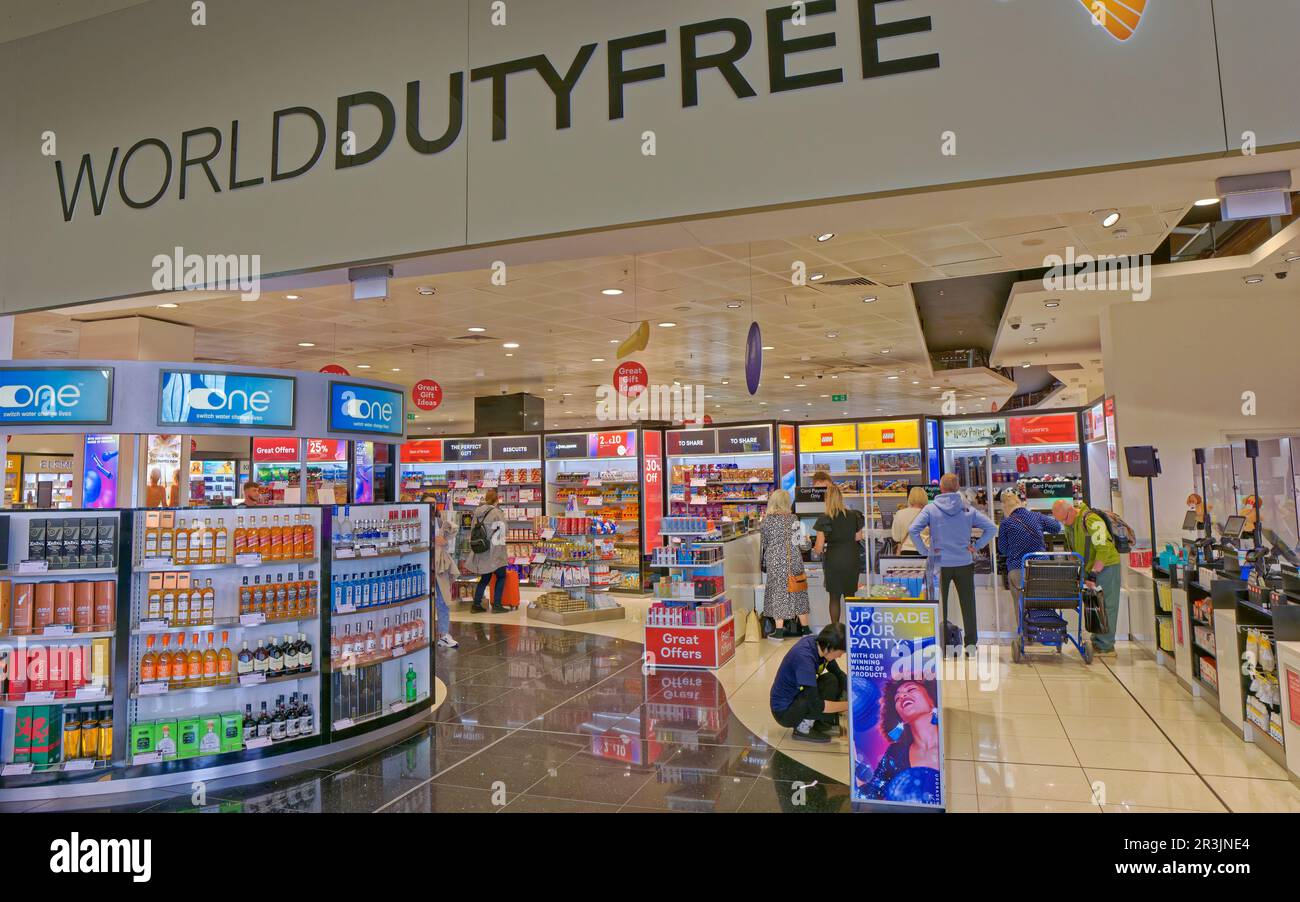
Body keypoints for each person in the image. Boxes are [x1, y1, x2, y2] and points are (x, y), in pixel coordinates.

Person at [909, 473, 997, 650]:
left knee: (935, 603)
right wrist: (976, 545)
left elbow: (913, 529)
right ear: (957, 488)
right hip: (964, 561)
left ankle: (938, 642)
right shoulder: (967, 509)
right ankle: (971, 644)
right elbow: (991, 528)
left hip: (938, 562)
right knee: (968, 603)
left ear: (940, 488)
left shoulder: (931, 509)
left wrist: (924, 551)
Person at [1052, 499, 1121, 658]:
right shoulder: (1071, 525)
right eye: (1060, 521)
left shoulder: (1091, 520)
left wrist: (1094, 574)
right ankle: (1097, 641)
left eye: (1064, 519)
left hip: (1106, 567)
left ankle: (1106, 647)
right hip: (1090, 569)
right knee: (1094, 605)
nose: (1063, 523)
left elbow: (1103, 548)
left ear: (1071, 511)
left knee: (1107, 606)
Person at [859, 677, 941, 804]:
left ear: (932, 701)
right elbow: (873, 792)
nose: (902, 695)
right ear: (900, 716)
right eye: (897, 698)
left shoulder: (949, 745)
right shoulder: (895, 753)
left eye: (911, 689)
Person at [769, 623, 848, 743]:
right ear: (830, 648)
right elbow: (816, 704)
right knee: (823, 689)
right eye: (841, 652)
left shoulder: (821, 646)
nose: (841, 656)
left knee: (831, 679)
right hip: (785, 712)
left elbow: (839, 675)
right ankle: (803, 729)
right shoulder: (804, 658)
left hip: (798, 696)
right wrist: (851, 706)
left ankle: (820, 722)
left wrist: (857, 692)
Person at [998, 491, 1062, 615]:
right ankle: (1046, 628)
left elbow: (1003, 549)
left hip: (1018, 568)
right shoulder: (1036, 516)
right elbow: (1056, 527)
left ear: (1005, 508)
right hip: (1041, 567)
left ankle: (1024, 632)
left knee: (1020, 605)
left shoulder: (1005, 523)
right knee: (1044, 602)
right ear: (1021, 503)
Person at [759, 489, 810, 639]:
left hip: (775, 561)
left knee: (778, 594)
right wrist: (807, 539)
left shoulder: (766, 521)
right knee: (798, 591)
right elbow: (804, 546)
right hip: (793, 560)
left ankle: (779, 631)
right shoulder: (794, 519)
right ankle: (806, 630)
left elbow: (765, 543)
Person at [814, 484, 865, 625]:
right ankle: (853, 628)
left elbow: (818, 547)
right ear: (841, 498)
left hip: (833, 559)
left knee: (834, 597)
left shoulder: (824, 518)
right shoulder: (853, 515)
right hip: (851, 557)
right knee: (850, 595)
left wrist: (816, 548)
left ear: (827, 499)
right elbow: (858, 537)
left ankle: (836, 629)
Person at [467, 488, 509, 613]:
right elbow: (504, 530)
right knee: (502, 576)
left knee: (485, 577)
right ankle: (497, 605)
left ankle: (476, 604)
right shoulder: (496, 512)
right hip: (494, 549)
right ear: (497, 499)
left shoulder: (477, 512)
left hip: (481, 549)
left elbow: (473, 530)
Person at [427, 498, 460, 648]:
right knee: (423, 602)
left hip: (439, 566)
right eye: (428, 503)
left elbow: (448, 541)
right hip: (423, 566)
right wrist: (433, 540)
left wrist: (444, 540)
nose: (432, 505)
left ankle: (444, 634)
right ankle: (423, 634)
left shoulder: (439, 521)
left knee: (443, 600)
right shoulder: (419, 521)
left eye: (434, 503)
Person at [891, 486, 930, 554]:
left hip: (906, 552)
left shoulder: (900, 514)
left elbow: (896, 537)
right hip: (925, 551)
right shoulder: (929, 514)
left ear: (909, 498)